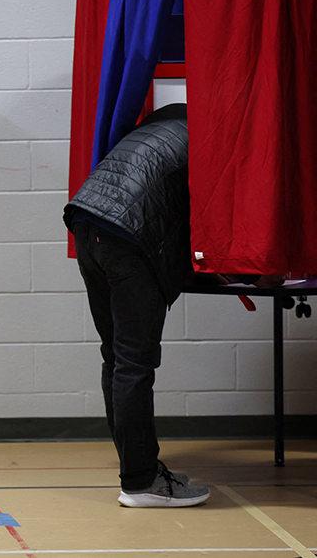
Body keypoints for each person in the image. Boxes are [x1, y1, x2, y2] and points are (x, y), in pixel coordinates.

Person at [63, 103, 210, 508]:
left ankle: (139, 469)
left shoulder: (173, 113)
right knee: (134, 362)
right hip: (129, 236)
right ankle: (142, 483)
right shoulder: (217, 139)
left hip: (87, 218)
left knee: (116, 357)